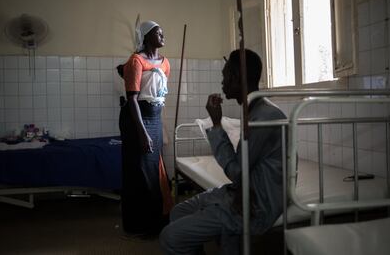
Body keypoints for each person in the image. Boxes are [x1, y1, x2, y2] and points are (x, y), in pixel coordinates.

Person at [159, 49, 287, 254]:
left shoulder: (264, 118)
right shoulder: (253, 110)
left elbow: (237, 170)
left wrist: (217, 124)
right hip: (240, 192)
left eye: (225, 76)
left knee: (170, 237)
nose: (222, 82)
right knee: (179, 211)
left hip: (256, 205)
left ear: (236, 78)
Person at [118, 20, 173, 237]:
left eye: (162, 32)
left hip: (155, 117)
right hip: (136, 120)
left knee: (155, 170)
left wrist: (157, 126)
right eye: (158, 33)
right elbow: (132, 99)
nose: (162, 36)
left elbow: (160, 96)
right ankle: (137, 225)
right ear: (146, 37)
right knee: (139, 171)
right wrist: (142, 133)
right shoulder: (135, 61)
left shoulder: (165, 63)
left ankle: (156, 220)